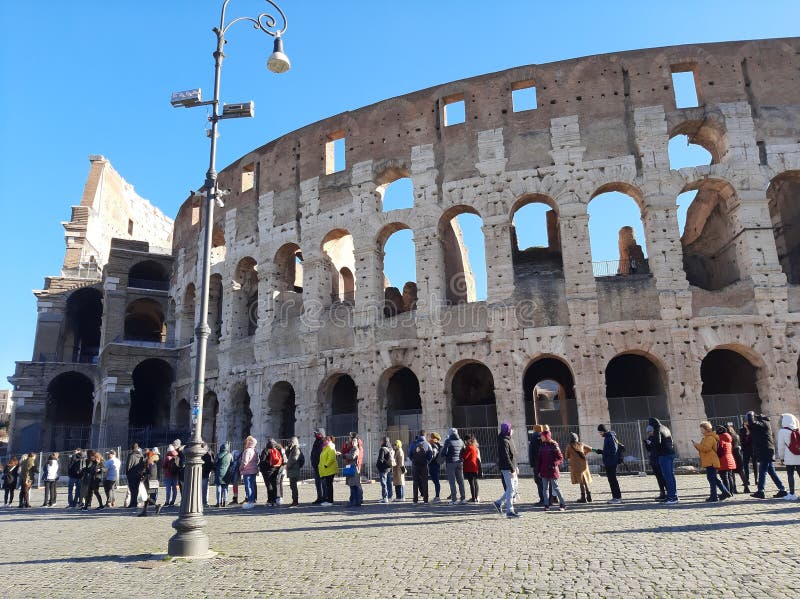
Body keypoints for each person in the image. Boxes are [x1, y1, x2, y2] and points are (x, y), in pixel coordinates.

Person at [746, 412, 788, 499]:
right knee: (771, 472)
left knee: (762, 471)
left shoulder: (764, 423)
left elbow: (752, 422)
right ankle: (782, 489)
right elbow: (752, 426)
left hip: (765, 451)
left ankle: (760, 491)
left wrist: (750, 414)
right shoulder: (763, 424)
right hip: (767, 451)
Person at [693, 421, 731, 502]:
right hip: (709, 460)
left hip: (711, 461)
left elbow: (706, 448)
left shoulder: (710, 437)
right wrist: (697, 446)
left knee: (711, 479)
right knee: (713, 478)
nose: (701, 430)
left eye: (702, 429)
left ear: (706, 429)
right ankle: (725, 492)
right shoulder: (707, 437)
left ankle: (714, 496)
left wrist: (696, 445)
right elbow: (704, 449)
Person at [493, 422, 521, 518]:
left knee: (513, 488)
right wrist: (512, 469)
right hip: (507, 468)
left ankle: (499, 502)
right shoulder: (504, 441)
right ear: (508, 430)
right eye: (511, 429)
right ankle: (509, 511)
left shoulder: (507, 439)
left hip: (511, 467)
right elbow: (506, 457)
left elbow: (512, 455)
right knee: (511, 489)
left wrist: (515, 466)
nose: (512, 431)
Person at [649, 418, 678, 504]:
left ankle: (672, 497)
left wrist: (651, 443)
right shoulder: (665, 428)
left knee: (668, 476)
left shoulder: (657, 429)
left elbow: (657, 442)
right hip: (670, 453)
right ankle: (671, 495)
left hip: (664, 454)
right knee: (670, 476)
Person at [594, 424, 623, 504]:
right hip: (609, 462)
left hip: (611, 462)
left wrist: (602, 452)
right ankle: (616, 497)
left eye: (600, 432)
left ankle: (617, 498)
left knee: (613, 480)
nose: (600, 434)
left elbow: (613, 451)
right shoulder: (608, 437)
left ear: (603, 431)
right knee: (612, 480)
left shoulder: (609, 438)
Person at [538, 430, 566, 511]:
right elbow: (540, 460)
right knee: (544, 489)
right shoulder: (542, 446)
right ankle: (546, 505)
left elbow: (560, 458)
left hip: (552, 470)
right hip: (544, 470)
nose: (541, 437)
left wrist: (554, 464)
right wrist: (539, 470)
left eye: (542, 436)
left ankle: (562, 504)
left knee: (556, 488)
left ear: (546, 436)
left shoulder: (554, 445)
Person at [777, 413, 800, 500]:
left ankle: (792, 494)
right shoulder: (797, 430)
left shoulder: (782, 431)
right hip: (799, 456)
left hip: (789, 457)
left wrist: (781, 457)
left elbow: (781, 446)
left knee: (790, 475)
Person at [565, 433, 593, 503]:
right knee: (584, 480)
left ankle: (583, 497)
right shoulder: (581, 444)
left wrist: (572, 456)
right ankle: (589, 496)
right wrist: (584, 453)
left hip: (575, 465)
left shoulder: (569, 446)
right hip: (583, 464)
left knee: (581, 481)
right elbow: (590, 449)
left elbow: (566, 456)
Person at [442, 428, 466, 504]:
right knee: (461, 481)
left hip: (450, 462)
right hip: (459, 462)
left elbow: (444, 452)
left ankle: (454, 499)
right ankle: (463, 498)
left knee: (452, 482)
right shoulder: (461, 441)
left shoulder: (448, 441)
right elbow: (464, 450)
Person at [137, 450, 163, 516]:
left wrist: (143, 477)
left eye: (146, 456)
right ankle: (144, 511)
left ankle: (156, 505)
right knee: (146, 496)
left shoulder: (151, 464)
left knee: (145, 496)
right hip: (151, 481)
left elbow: (151, 473)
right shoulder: (153, 463)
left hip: (148, 482)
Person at [644, 425, 667, 501]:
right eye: (648, 432)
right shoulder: (650, 438)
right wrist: (647, 444)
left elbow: (658, 447)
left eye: (650, 432)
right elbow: (649, 449)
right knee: (658, 477)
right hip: (653, 459)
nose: (649, 433)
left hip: (658, 459)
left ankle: (667, 493)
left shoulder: (658, 437)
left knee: (662, 477)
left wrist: (651, 443)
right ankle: (662, 493)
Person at [409, 432, 432, 504]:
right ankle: (426, 500)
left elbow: (409, 454)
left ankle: (415, 500)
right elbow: (430, 454)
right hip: (424, 465)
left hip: (415, 465)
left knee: (415, 483)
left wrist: (413, 460)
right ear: (425, 435)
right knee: (425, 482)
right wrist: (427, 461)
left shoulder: (413, 444)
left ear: (419, 435)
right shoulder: (427, 444)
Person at [260, 438, 283, 507]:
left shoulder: (266, 450)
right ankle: (275, 500)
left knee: (269, 485)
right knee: (274, 485)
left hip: (267, 471)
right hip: (275, 470)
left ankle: (270, 501)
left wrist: (261, 469)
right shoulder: (277, 449)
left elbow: (262, 461)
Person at [716, 426, 738, 496]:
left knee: (724, 478)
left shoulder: (720, 440)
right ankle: (731, 491)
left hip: (723, 460)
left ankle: (726, 492)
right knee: (730, 477)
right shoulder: (728, 439)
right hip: (730, 459)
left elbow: (718, 451)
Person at [528, 425, 546, 506]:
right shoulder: (544, 437)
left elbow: (531, 452)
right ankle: (549, 499)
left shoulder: (533, 437)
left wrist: (531, 463)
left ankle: (542, 499)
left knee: (538, 481)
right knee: (546, 481)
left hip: (537, 463)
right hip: (545, 462)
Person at [318, 436, 338, 506]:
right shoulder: (326, 448)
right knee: (327, 485)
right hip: (326, 470)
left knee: (329, 486)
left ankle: (330, 501)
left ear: (328, 441)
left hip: (329, 469)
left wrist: (326, 465)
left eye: (325, 441)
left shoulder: (330, 447)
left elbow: (331, 458)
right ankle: (328, 499)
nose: (323, 442)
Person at [240, 435, 259, 509]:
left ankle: (250, 501)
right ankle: (252, 499)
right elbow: (257, 460)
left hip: (247, 471)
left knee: (248, 487)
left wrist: (240, 468)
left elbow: (244, 462)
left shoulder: (247, 451)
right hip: (253, 470)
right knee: (252, 486)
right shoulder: (255, 451)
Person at [345, 432, 363, 507]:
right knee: (352, 485)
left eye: (354, 442)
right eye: (352, 441)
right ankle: (354, 501)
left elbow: (352, 456)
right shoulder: (353, 448)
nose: (352, 443)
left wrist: (344, 455)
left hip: (354, 468)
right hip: (352, 467)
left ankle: (356, 501)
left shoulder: (356, 449)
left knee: (354, 485)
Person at [727, 423, 746, 492]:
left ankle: (734, 488)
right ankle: (746, 487)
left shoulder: (728, 437)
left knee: (732, 472)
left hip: (732, 454)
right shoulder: (736, 436)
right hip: (738, 454)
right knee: (741, 471)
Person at [285, 437, 304, 507]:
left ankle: (295, 502)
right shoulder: (292, 449)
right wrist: (287, 449)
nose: (289, 443)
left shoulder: (296, 449)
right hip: (292, 470)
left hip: (294, 470)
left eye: (290, 442)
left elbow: (293, 460)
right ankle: (294, 501)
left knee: (293, 486)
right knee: (292, 486)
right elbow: (288, 457)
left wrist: (288, 466)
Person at [739, 421, 757, 494]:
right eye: (745, 423)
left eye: (747, 423)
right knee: (745, 465)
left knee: (755, 464)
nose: (746, 424)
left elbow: (755, 439)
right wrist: (746, 434)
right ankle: (747, 480)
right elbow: (741, 440)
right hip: (746, 449)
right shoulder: (741, 430)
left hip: (753, 449)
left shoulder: (753, 429)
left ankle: (756, 479)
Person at [462, 434, 481, 503]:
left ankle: (473, 498)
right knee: (475, 482)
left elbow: (464, 457)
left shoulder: (469, 447)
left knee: (471, 483)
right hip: (475, 466)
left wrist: (463, 451)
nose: (465, 442)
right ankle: (476, 497)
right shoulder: (475, 447)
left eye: (465, 440)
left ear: (468, 440)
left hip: (469, 467)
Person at [310, 428, 326, 505]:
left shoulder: (324, 442)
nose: (315, 434)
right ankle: (319, 497)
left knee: (323, 483)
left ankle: (324, 497)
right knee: (317, 483)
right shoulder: (316, 441)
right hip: (316, 465)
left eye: (317, 433)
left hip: (322, 466)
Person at [376, 437, 394, 503]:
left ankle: (385, 497)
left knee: (383, 483)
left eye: (381, 440)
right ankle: (390, 496)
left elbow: (380, 459)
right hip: (389, 468)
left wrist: (378, 466)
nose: (380, 442)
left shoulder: (382, 449)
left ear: (383, 441)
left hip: (383, 469)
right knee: (389, 483)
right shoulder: (390, 448)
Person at [125, 444, 144, 509]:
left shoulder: (131, 455)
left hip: (131, 474)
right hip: (138, 474)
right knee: (136, 489)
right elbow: (142, 465)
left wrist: (127, 473)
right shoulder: (141, 455)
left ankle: (132, 503)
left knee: (132, 489)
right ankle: (135, 502)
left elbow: (129, 465)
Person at [215, 442, 233, 507]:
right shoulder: (230, 455)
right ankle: (225, 501)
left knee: (218, 487)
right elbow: (232, 464)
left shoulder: (218, 455)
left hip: (219, 472)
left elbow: (215, 463)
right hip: (226, 473)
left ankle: (218, 502)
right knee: (225, 487)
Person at [428, 432, 443, 503]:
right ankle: (437, 496)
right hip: (436, 465)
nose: (430, 438)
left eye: (431, 437)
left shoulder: (434, 445)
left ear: (434, 438)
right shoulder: (438, 445)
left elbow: (433, 455)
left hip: (433, 465)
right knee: (436, 481)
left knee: (436, 481)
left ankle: (437, 497)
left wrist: (428, 461)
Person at [201, 444, 216, 509]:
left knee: (204, 488)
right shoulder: (210, 453)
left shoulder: (207, 454)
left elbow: (212, 463)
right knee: (204, 488)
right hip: (206, 473)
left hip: (204, 473)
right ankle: (204, 502)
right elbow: (213, 463)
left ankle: (204, 502)